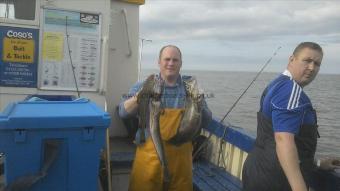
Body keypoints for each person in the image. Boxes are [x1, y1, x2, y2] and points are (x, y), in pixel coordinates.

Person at [242, 42, 340, 191]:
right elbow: (283, 141)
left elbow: (278, 139)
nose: (312, 68)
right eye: (307, 60)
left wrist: (317, 164)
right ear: (292, 59)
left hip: (258, 170)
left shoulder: (277, 84)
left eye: (317, 64)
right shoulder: (290, 91)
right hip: (276, 180)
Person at [118, 45, 212, 191]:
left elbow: (206, 121)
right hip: (149, 159)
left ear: (181, 63)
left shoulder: (190, 89)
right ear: (159, 62)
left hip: (181, 160)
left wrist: (200, 104)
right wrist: (141, 96)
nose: (171, 63)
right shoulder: (143, 85)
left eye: (175, 60)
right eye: (167, 59)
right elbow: (123, 112)